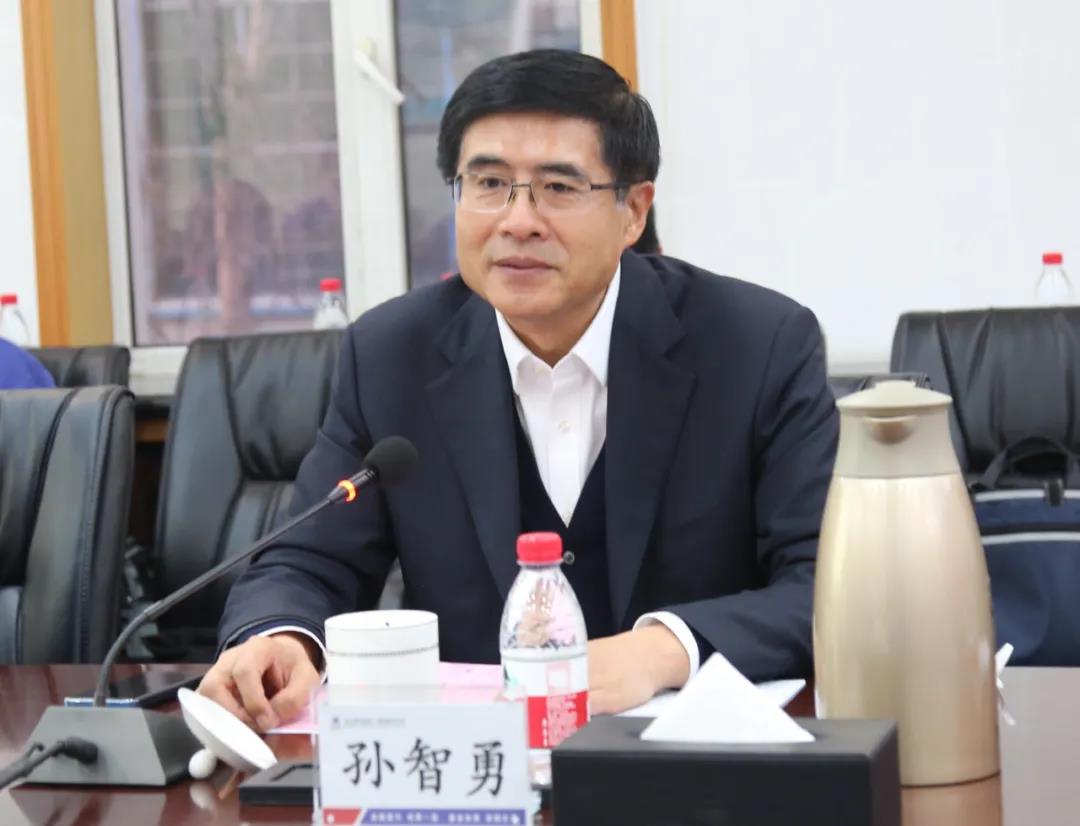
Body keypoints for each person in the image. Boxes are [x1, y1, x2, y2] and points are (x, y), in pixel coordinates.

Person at [201, 49, 838, 732]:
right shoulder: (391, 355)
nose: (518, 220)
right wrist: (281, 637)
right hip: (471, 761)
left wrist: (662, 651)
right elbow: (307, 560)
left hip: (692, 761)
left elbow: (828, 586)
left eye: (558, 187)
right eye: (489, 183)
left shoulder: (757, 347)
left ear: (633, 211)